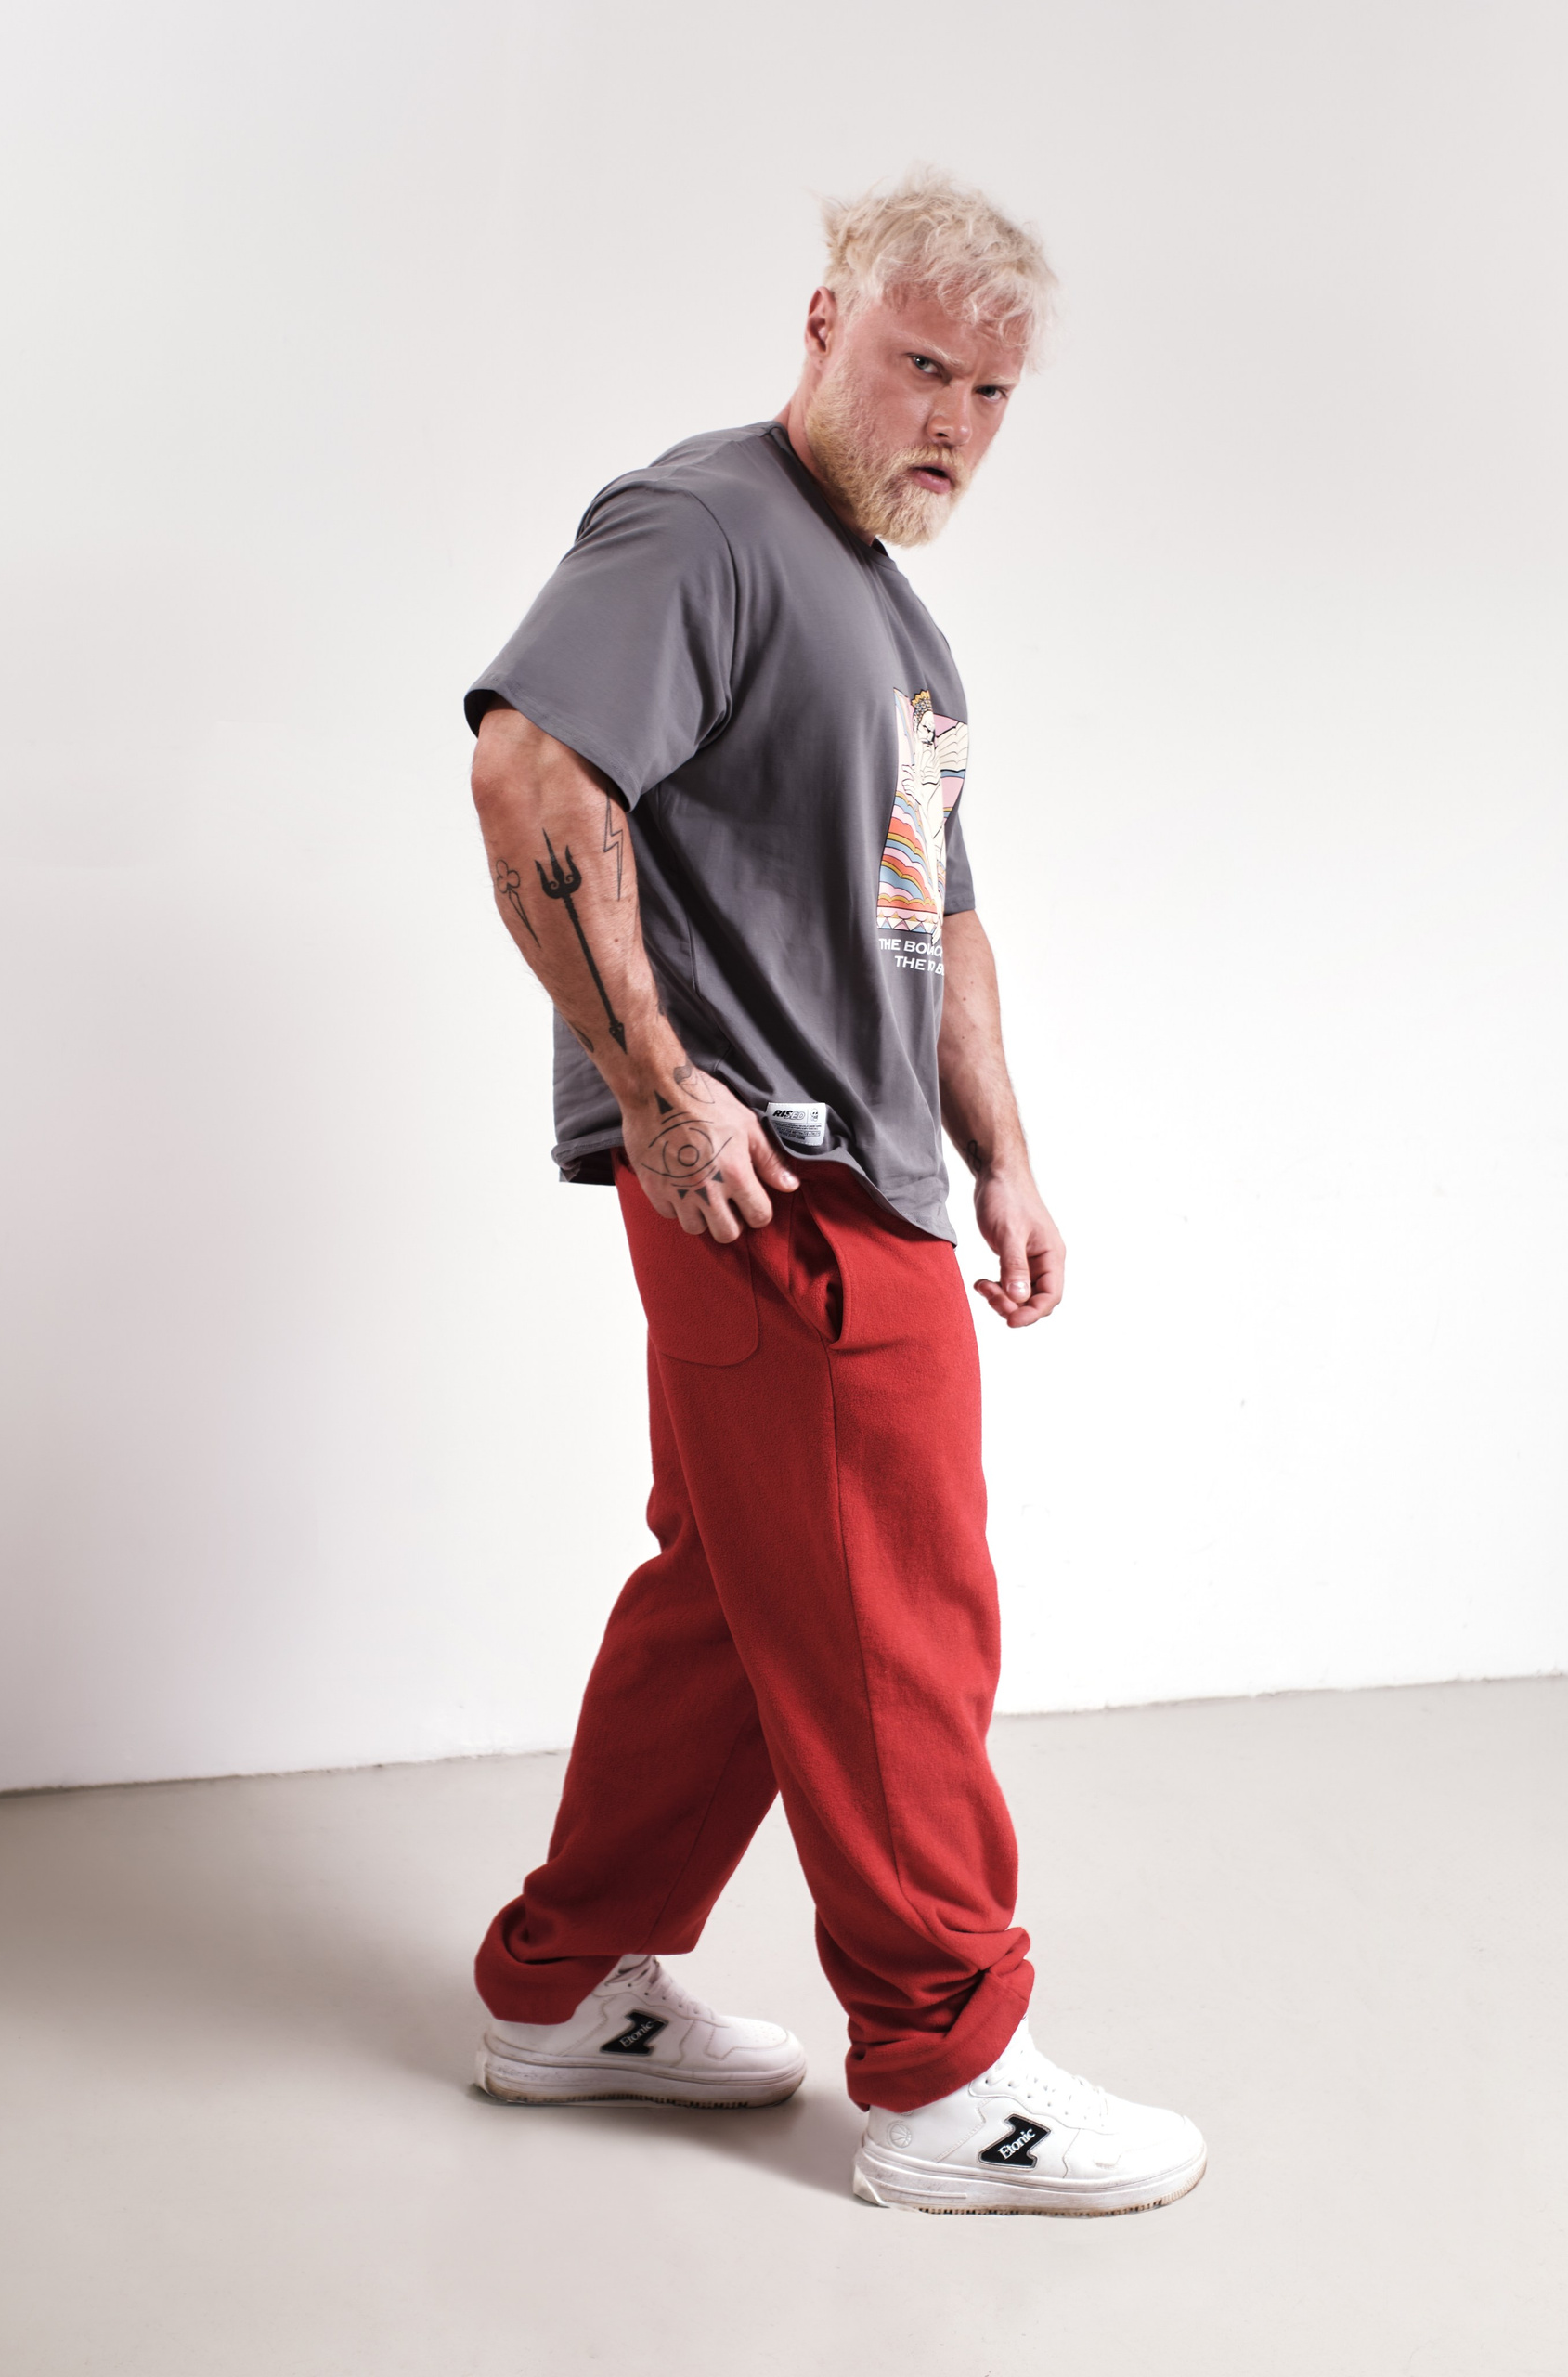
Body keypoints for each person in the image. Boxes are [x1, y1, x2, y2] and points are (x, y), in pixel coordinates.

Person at [462, 169, 1205, 2215]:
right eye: (920, 365)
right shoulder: (699, 524)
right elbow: (531, 771)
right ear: (824, 324)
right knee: (895, 1605)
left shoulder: (897, 619)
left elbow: (934, 911)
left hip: (871, 1167)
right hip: (768, 1181)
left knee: (739, 1597)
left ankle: (564, 1981)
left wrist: (1006, 1153)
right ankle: (950, 2069)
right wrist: (660, 1090)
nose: (950, 419)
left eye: (989, 391)